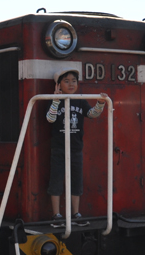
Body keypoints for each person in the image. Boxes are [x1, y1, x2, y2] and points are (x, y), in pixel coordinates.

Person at [45, 69, 107, 220]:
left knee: (76, 181)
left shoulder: (80, 100)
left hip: (76, 149)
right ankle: (56, 214)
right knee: (56, 181)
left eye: (74, 81)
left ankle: (76, 213)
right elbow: (50, 119)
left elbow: (92, 114)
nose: (71, 84)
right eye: (66, 81)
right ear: (59, 85)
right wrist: (56, 100)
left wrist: (100, 103)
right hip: (59, 148)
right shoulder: (53, 100)